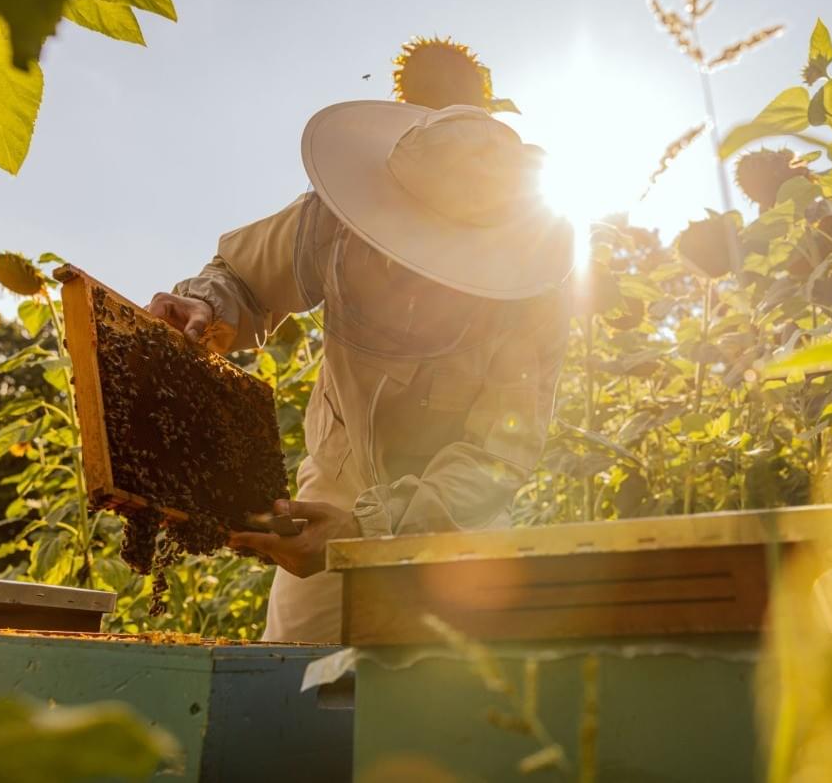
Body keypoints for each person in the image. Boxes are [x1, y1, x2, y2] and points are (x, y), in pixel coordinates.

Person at [148, 101, 574, 643]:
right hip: (333, 485)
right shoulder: (328, 222)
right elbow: (241, 275)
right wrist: (207, 305)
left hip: (455, 518)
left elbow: (494, 458)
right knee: (287, 682)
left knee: (460, 698)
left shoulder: (531, 301)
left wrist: (370, 529)